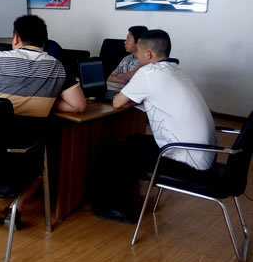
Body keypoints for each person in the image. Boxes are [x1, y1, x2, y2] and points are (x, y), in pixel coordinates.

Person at [0, 14, 86, 228]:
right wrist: (47, 100)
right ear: (44, 41)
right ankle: (16, 207)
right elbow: (78, 105)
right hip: (28, 147)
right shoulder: (58, 66)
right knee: (41, 168)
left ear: (16, 38)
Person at [92, 29, 217, 223]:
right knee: (133, 140)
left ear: (148, 54)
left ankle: (117, 209)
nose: (137, 57)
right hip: (205, 154)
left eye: (139, 52)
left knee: (115, 152)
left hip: (188, 163)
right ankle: (127, 197)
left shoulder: (148, 73)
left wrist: (129, 99)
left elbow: (117, 102)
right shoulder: (176, 70)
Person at [107, 25, 148, 90]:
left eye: (128, 39)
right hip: (118, 89)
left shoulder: (146, 60)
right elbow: (109, 77)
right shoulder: (127, 58)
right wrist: (125, 80)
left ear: (139, 41)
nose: (125, 42)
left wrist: (120, 76)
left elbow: (135, 80)